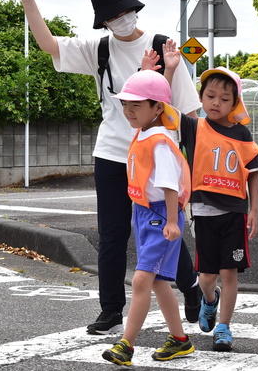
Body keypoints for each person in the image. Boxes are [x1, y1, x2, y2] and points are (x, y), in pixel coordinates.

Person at [2, 0, 203, 335]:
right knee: (112, 234)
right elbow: (49, 45)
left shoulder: (163, 47)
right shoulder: (99, 50)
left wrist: (192, 165)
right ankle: (111, 309)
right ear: (104, 22)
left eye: (126, 12)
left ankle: (191, 288)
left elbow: (188, 114)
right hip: (113, 154)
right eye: (114, 17)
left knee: (162, 227)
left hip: (157, 157)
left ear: (135, 9)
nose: (122, 20)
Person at [164, 44, 258, 352]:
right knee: (207, 277)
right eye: (210, 96)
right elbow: (161, 106)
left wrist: (254, 210)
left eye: (224, 98)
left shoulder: (242, 134)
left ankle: (224, 326)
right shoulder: (194, 126)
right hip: (203, 213)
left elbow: (254, 172)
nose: (216, 102)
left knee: (229, 272)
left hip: (234, 212)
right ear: (201, 96)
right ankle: (210, 299)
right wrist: (169, 69)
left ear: (235, 102)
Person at [101, 69, 195, 365]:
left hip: (159, 216)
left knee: (142, 281)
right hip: (144, 214)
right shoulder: (143, 133)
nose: (128, 110)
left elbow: (169, 186)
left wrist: (170, 221)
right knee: (158, 282)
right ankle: (180, 340)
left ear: (158, 108)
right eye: (126, 103)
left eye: (136, 105)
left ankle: (126, 346)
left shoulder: (159, 140)